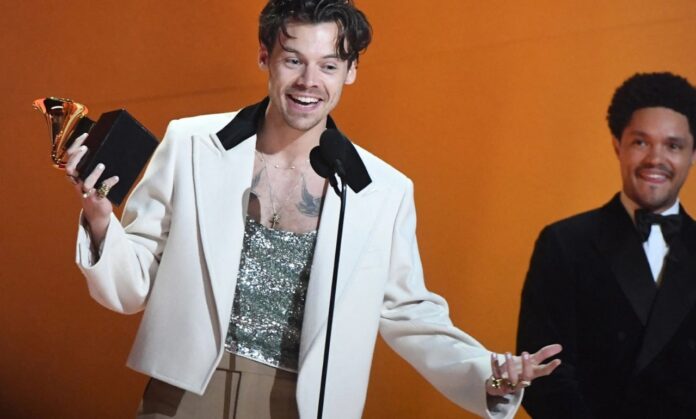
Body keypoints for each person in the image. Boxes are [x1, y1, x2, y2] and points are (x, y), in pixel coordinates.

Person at [65, 1, 560, 417]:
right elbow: (134, 285)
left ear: (351, 71)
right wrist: (102, 220)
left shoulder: (383, 192)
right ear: (265, 56)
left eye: (328, 65)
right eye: (293, 60)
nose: (309, 81)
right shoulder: (191, 144)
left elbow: (409, 312)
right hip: (183, 394)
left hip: (303, 404)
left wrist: (487, 372)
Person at [517, 72, 696, 418]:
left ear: (693, 154)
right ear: (618, 145)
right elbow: (544, 373)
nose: (655, 159)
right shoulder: (564, 243)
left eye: (673, 146)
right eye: (641, 142)